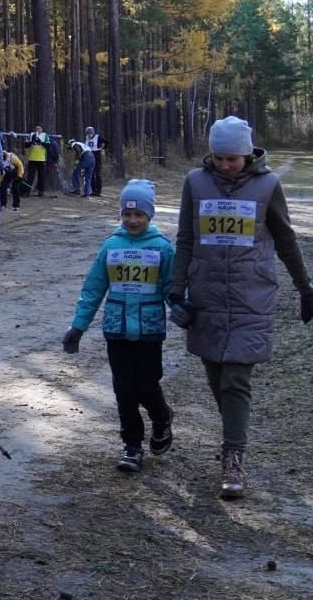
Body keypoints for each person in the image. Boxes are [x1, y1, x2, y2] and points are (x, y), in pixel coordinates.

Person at [167, 116, 313, 499]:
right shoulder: (195, 183)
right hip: (207, 296)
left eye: (232, 158)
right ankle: (234, 434)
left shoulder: (268, 185)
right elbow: (186, 239)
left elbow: (285, 239)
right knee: (217, 377)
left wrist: (305, 287)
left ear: (247, 155)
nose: (225, 165)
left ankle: (233, 458)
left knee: (235, 379)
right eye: (218, 158)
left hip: (251, 296)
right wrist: (176, 289)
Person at [62, 180, 176, 472]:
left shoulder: (162, 248)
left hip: (149, 331)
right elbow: (93, 289)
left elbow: (171, 288)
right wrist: (78, 327)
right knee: (124, 390)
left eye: (139, 215)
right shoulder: (111, 246)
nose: (132, 220)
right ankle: (132, 446)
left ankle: (161, 417)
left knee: (147, 386)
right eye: (127, 214)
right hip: (117, 330)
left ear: (149, 215)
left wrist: (183, 311)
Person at [24, 125, 50, 197]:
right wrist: (31, 142)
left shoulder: (45, 135)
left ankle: (41, 192)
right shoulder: (31, 135)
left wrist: (40, 142)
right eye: (36, 128)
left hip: (41, 159)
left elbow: (48, 146)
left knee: (41, 176)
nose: (37, 130)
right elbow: (26, 145)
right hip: (32, 159)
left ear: (42, 129)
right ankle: (27, 192)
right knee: (30, 176)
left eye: (39, 128)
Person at [84, 126, 107, 196]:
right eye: (88, 134)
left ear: (93, 133)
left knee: (97, 174)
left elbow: (106, 142)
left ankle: (98, 191)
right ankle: (93, 190)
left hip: (97, 156)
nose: (89, 135)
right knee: (91, 174)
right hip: (89, 156)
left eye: (90, 134)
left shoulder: (98, 137)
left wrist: (103, 149)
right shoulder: (86, 138)